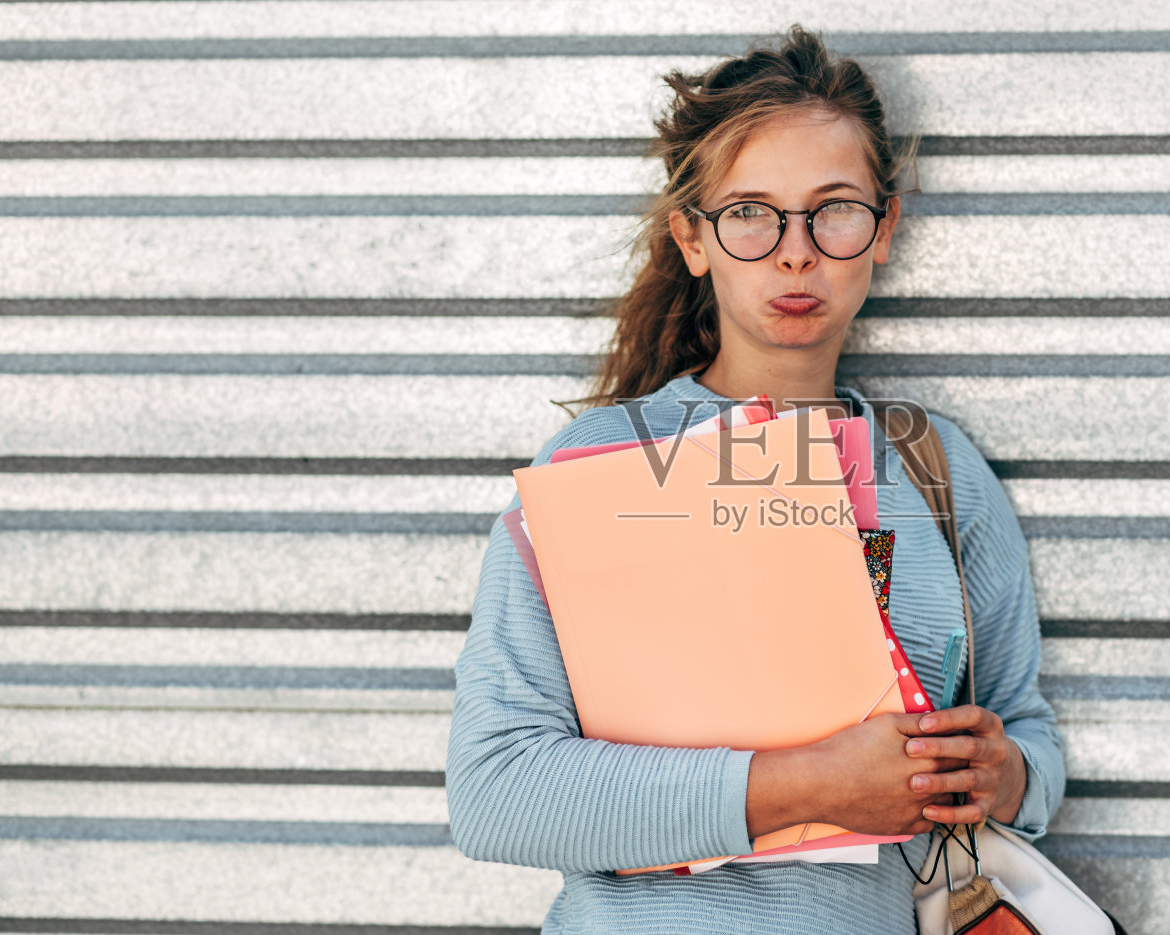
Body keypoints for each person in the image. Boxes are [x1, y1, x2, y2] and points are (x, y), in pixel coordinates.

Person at [445, 25, 1066, 934]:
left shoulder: (936, 471)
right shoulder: (598, 465)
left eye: (835, 208)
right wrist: (808, 784)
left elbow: (1027, 735)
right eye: (750, 213)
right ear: (692, 239)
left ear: (884, 228)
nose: (795, 251)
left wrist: (1005, 774)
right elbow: (497, 790)